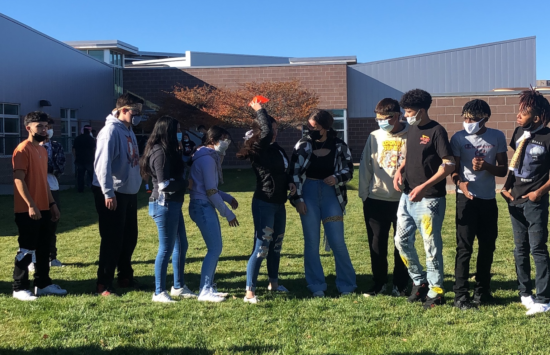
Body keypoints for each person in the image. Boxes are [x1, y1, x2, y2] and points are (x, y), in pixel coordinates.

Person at [392, 89, 455, 309]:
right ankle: (419, 282)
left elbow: (448, 165)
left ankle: (436, 291)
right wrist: (400, 170)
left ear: (421, 110)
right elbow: (410, 154)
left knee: (431, 245)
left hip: (429, 199)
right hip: (407, 196)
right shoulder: (412, 130)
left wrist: (423, 187)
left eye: (409, 111)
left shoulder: (437, 131)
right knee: (400, 241)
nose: (406, 115)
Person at [289, 109, 356, 297]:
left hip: (331, 195)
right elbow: (293, 173)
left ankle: (347, 284)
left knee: (337, 241)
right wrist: (298, 199)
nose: (311, 129)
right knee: (311, 241)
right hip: (308, 192)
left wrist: (336, 177)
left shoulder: (339, 145)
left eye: (315, 126)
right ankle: (316, 284)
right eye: (309, 126)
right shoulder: (302, 145)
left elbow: (349, 169)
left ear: (325, 127)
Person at [450, 99, 508, 310]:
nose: (468, 122)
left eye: (472, 119)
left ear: (485, 119)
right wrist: (460, 184)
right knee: (464, 248)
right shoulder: (458, 138)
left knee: (487, 247)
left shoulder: (497, 136)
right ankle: (460, 295)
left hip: (487, 200)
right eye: (465, 118)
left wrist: (486, 166)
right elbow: (454, 171)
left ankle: (482, 292)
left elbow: (503, 170)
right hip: (466, 198)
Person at [237, 102, 296, 304]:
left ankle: (274, 284)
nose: (275, 133)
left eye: (278, 129)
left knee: (276, 245)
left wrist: (290, 182)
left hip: (280, 203)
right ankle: (250, 292)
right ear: (262, 130)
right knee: (261, 247)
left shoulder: (276, 148)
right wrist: (259, 110)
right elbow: (266, 130)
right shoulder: (258, 147)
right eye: (273, 129)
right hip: (264, 202)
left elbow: (284, 171)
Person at [501, 88, 550, 315]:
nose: (518, 116)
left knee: (537, 248)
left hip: (535, 202)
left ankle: (543, 298)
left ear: (538, 117)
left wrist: (538, 193)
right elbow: (516, 161)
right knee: (520, 248)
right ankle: (525, 292)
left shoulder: (548, 137)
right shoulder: (519, 132)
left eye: (523, 112)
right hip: (515, 200)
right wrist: (506, 186)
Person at [11, 111, 67, 301]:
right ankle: (19, 287)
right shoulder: (22, 149)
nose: (44, 130)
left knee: (44, 247)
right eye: (40, 126)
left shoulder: (42, 150)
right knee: (27, 248)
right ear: (28, 128)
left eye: (46, 127)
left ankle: (42, 284)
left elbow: (44, 181)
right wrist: (31, 205)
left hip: (44, 206)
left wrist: (52, 204)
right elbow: (19, 179)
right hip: (28, 209)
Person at [92, 93, 143, 296]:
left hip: (129, 191)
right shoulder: (110, 131)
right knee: (112, 239)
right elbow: (102, 164)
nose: (138, 116)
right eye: (135, 112)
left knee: (129, 237)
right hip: (113, 192)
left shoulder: (129, 131)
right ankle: (103, 283)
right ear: (123, 110)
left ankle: (125, 276)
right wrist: (108, 192)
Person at [140, 116, 196, 303]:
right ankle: (159, 292)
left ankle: (178, 286)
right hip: (163, 205)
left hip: (173, 205)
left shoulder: (170, 150)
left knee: (182, 245)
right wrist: (185, 183)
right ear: (168, 132)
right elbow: (163, 184)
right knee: (166, 249)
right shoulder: (160, 152)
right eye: (178, 129)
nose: (181, 133)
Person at [359, 98, 410, 297]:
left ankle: (400, 284)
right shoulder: (374, 136)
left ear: (398, 116)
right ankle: (379, 283)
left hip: (403, 200)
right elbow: (365, 166)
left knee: (402, 244)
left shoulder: (411, 135)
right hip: (376, 199)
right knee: (376, 244)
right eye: (378, 119)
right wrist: (365, 194)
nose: (381, 122)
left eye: (385, 118)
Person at [189, 126, 239, 302]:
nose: (226, 143)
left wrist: (227, 197)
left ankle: (208, 286)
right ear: (213, 140)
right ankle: (205, 290)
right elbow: (210, 191)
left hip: (202, 204)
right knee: (215, 248)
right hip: (202, 205)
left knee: (215, 248)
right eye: (224, 139)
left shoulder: (206, 156)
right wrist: (228, 214)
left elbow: (210, 188)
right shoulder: (208, 160)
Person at [41, 118, 66, 268]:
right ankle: (32, 258)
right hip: (37, 188)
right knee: (36, 224)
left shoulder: (55, 146)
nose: (47, 130)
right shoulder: (30, 147)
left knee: (52, 223)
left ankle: (51, 257)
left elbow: (59, 167)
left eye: (49, 127)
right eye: (43, 127)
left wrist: (45, 165)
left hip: (52, 186)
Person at [72, 124, 96, 192]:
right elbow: (94, 149)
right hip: (89, 159)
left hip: (79, 160)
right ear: (89, 131)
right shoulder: (91, 139)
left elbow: (73, 149)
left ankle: (80, 189)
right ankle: (93, 188)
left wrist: (75, 157)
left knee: (80, 175)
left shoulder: (77, 138)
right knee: (91, 175)